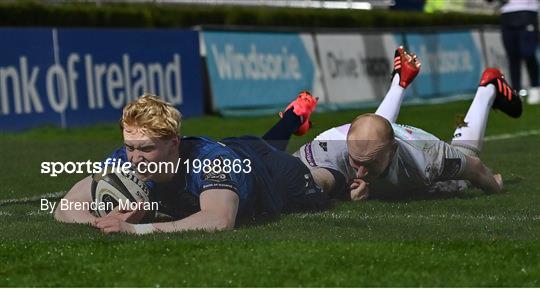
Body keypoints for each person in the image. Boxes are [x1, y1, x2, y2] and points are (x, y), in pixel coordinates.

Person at [269, 47, 522, 201]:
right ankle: (400, 81)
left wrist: (495, 186)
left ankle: (488, 88)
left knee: (462, 170)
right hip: (373, 135)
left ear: (393, 151)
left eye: (368, 166)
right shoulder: (332, 146)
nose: (359, 173)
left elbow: (475, 168)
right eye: (356, 162)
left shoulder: (427, 158)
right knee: (373, 133)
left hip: (412, 144)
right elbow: (296, 177)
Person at [54, 93, 326, 235]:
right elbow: (65, 207)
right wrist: (102, 223)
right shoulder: (123, 160)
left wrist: (134, 230)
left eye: (147, 148)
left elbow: (219, 220)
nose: (135, 159)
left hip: (268, 177)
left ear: (174, 144)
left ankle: (298, 116)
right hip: (236, 148)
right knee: (270, 143)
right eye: (130, 147)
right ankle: (294, 116)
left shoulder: (213, 164)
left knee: (324, 183)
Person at [488, 0, 540, 104]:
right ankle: (516, 90)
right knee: (513, 56)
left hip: (528, 12)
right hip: (507, 14)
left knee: (528, 53)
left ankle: (535, 87)